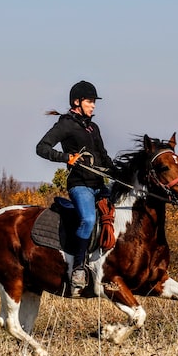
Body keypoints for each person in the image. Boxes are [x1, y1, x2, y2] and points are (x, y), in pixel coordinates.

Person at [36, 80, 114, 290]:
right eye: (90, 101)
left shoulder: (92, 127)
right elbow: (41, 148)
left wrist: (117, 171)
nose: (94, 106)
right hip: (80, 185)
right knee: (88, 219)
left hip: (99, 183)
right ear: (77, 102)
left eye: (93, 102)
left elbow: (103, 156)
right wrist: (65, 157)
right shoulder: (65, 124)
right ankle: (78, 267)